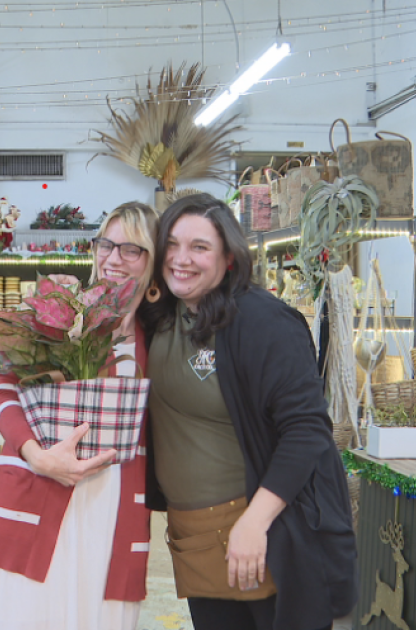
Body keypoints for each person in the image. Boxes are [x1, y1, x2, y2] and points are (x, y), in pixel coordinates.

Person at [138, 193, 356, 630]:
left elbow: (307, 430)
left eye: (199, 247)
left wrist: (254, 524)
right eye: (173, 245)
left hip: (264, 534)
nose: (181, 259)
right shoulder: (163, 315)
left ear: (229, 257)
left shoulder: (262, 322)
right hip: (196, 539)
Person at [0, 202, 159, 630]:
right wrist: (37, 455)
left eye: (132, 249)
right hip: (35, 496)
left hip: (109, 515)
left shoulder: (163, 337)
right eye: (107, 244)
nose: (113, 258)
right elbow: (3, 390)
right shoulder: (61, 313)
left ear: (154, 259)